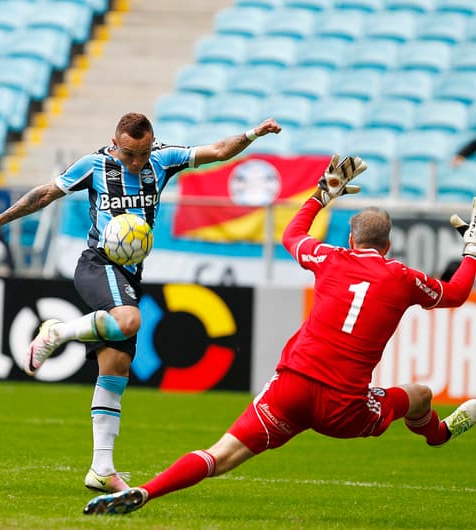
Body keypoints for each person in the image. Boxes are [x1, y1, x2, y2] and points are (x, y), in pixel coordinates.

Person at [82, 155, 476, 515]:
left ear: (351, 241)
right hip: (344, 406)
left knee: (220, 455)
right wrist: (472, 251)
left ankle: (147, 492)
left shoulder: (329, 258)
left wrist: (321, 195)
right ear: (388, 246)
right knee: (420, 395)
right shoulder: (403, 278)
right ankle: (440, 434)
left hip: (292, 387)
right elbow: (457, 293)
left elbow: (291, 235)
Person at [0, 112, 282, 492]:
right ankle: (58, 332)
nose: (137, 162)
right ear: (115, 143)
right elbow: (44, 194)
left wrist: (254, 132)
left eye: (143, 152)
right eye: (130, 154)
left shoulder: (162, 160)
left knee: (115, 371)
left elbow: (217, 150)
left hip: (130, 273)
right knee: (130, 320)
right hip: (98, 263)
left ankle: (101, 469)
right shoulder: (94, 166)